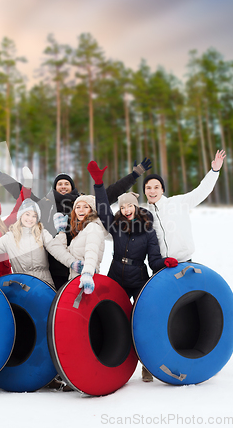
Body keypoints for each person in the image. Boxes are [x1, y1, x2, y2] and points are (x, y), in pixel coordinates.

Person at [0, 156, 152, 290]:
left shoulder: (83, 203)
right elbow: (18, 190)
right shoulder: (45, 204)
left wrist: (135, 174)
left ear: (72, 187)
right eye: (60, 184)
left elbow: (111, 192)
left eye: (66, 183)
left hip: (79, 264)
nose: (63, 186)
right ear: (55, 188)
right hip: (53, 264)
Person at [88, 160, 178, 383]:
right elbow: (101, 208)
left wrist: (164, 262)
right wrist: (98, 185)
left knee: (142, 321)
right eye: (123, 206)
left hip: (138, 279)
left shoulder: (147, 230)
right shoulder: (115, 225)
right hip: (116, 277)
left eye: (130, 206)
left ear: (136, 207)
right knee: (108, 317)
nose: (126, 210)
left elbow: (154, 259)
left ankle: (146, 364)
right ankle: (104, 357)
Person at [143, 150, 227, 262]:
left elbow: (201, 191)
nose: (152, 191)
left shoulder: (178, 202)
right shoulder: (144, 215)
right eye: (148, 188)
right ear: (144, 191)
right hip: (161, 266)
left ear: (162, 189)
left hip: (184, 262)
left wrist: (214, 171)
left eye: (156, 187)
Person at [48, 194, 107, 295]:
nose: (81, 210)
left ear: (92, 210)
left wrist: (87, 274)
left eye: (85, 207)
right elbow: (67, 253)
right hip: (76, 280)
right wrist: (61, 232)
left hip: (86, 281)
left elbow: (91, 252)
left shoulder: (93, 227)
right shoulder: (82, 231)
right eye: (78, 207)